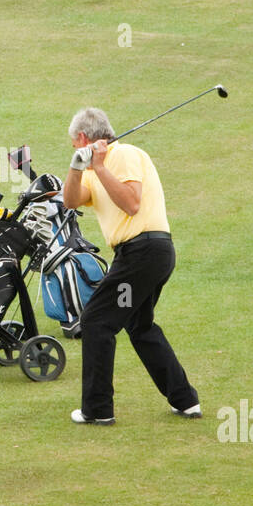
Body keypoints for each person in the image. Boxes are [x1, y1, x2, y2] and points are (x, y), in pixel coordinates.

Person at [60, 107, 201, 425]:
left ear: (83, 137)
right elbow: (70, 201)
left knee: (96, 320)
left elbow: (131, 203)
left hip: (144, 252)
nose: (73, 147)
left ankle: (97, 410)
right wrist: (77, 168)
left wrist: (99, 166)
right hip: (143, 257)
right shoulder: (96, 170)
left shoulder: (124, 155)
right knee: (139, 326)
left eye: (73, 144)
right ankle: (185, 400)